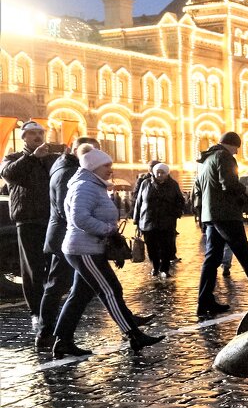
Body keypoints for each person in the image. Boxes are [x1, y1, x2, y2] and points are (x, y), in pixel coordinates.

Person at [51, 144, 162, 358]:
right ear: (93, 166)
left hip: (87, 247)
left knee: (79, 296)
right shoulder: (85, 186)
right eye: (106, 165)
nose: (110, 169)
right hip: (84, 248)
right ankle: (133, 334)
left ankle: (62, 340)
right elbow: (80, 218)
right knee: (111, 290)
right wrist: (108, 231)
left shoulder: (93, 184)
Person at [194, 131, 248, 317]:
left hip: (211, 215)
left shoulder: (206, 160)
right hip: (226, 214)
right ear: (232, 145)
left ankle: (204, 302)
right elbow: (228, 183)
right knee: (244, 253)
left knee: (212, 258)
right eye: (236, 149)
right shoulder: (224, 157)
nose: (236, 153)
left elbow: (199, 188)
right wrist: (245, 189)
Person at [37, 136, 97, 349]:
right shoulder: (67, 171)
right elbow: (67, 209)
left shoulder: (66, 167)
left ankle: (56, 335)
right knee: (58, 285)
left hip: (65, 236)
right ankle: (47, 334)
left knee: (79, 286)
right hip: (66, 238)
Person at [0, 121, 58, 340]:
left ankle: (51, 306)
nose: (37, 137)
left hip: (52, 218)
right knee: (32, 269)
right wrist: (33, 157)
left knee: (55, 265)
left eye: (40, 133)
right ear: (23, 137)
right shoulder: (14, 158)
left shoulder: (52, 158)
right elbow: (10, 175)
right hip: (28, 220)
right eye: (32, 133)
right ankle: (37, 312)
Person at [133, 163, 186, 278]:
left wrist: (175, 213)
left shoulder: (173, 185)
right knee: (151, 247)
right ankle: (155, 266)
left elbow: (180, 201)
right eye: (158, 172)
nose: (159, 175)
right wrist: (136, 220)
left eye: (162, 172)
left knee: (166, 247)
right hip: (148, 220)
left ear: (167, 174)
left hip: (167, 221)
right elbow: (139, 202)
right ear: (153, 172)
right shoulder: (145, 183)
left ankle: (164, 269)